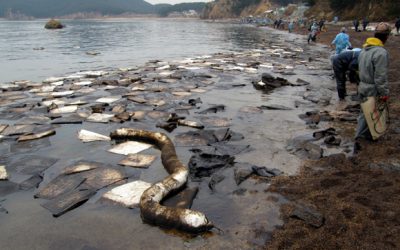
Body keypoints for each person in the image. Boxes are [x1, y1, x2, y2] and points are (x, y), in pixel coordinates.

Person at [354, 22, 391, 150]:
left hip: (362, 86)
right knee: (370, 114)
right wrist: (384, 93)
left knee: (363, 113)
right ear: (386, 37)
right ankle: (359, 140)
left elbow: (359, 69)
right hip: (372, 88)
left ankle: (366, 137)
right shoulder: (380, 52)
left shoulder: (364, 50)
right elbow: (380, 77)